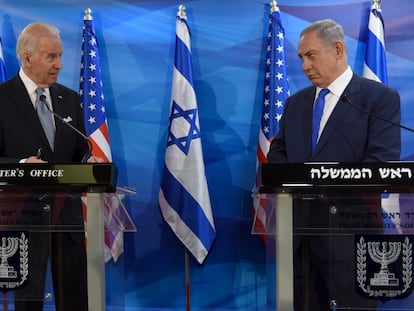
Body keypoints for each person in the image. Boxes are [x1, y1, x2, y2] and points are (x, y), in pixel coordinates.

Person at [267, 20, 401, 310]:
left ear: (338, 49)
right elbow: (277, 157)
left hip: (351, 240)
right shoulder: (295, 104)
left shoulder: (378, 99)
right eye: (301, 57)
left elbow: (381, 162)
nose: (304, 65)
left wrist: (322, 181)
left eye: (311, 55)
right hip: (300, 242)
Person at [0, 22, 102, 310]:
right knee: (27, 302)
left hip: (65, 218)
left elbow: (80, 152)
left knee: (75, 299)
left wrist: (88, 162)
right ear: (27, 57)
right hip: (21, 222)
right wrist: (21, 165)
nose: (58, 65)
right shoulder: (2, 98)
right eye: (51, 57)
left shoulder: (68, 98)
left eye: (60, 56)